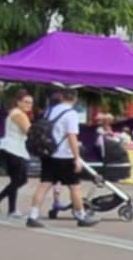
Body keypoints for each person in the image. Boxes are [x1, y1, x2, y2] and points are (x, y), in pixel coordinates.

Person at [31, 85, 97, 229]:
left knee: (44, 184)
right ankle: (81, 216)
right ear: (75, 99)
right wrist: (77, 157)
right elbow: (72, 136)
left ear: (61, 97)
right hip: (64, 156)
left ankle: (33, 215)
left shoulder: (50, 111)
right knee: (74, 187)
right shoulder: (71, 114)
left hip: (48, 153)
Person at [0, 90, 33, 219]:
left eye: (30, 103)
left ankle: (11, 209)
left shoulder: (15, 113)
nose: (28, 105)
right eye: (26, 102)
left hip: (14, 148)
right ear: (18, 102)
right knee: (21, 179)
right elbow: (28, 131)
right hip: (13, 149)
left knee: (16, 180)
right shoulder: (19, 114)